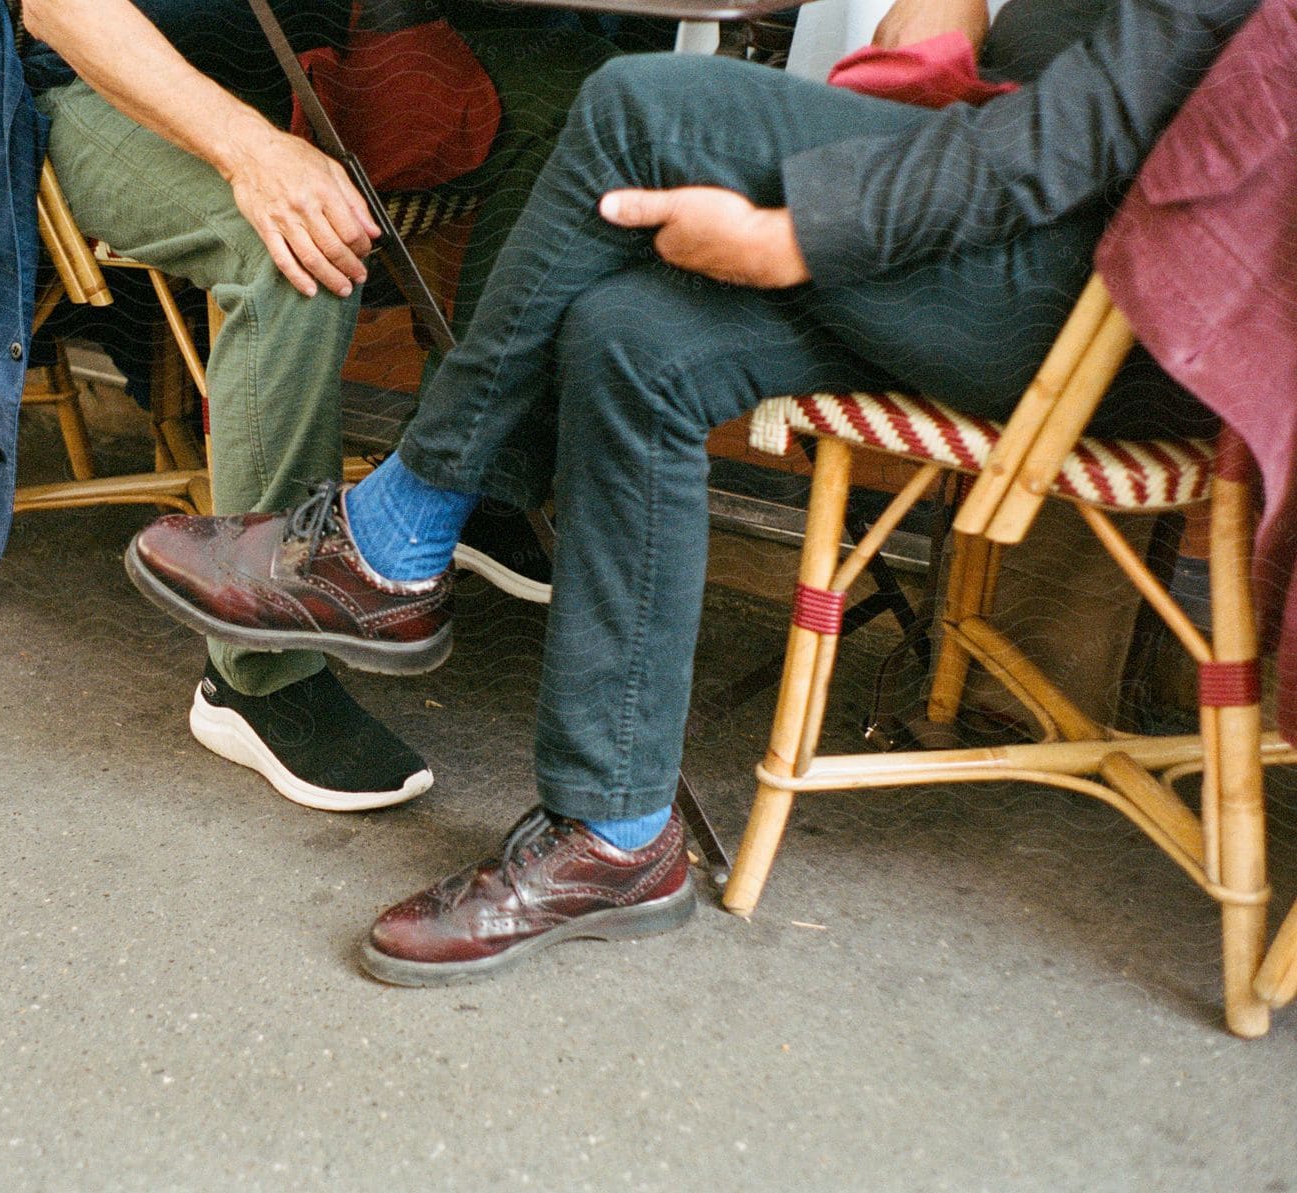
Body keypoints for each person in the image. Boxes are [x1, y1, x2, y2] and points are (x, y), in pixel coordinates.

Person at [123, 0, 1253, 985]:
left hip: (1091, 302)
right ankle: (615, 832)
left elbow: (1066, 141)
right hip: (1022, 236)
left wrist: (802, 233)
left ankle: (394, 541)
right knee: (634, 338)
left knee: (633, 105)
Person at [17, 0, 618, 811]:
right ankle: (258, 672)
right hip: (98, 77)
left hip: (304, 51)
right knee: (288, 245)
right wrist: (257, 154)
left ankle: (453, 479)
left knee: (606, 101)